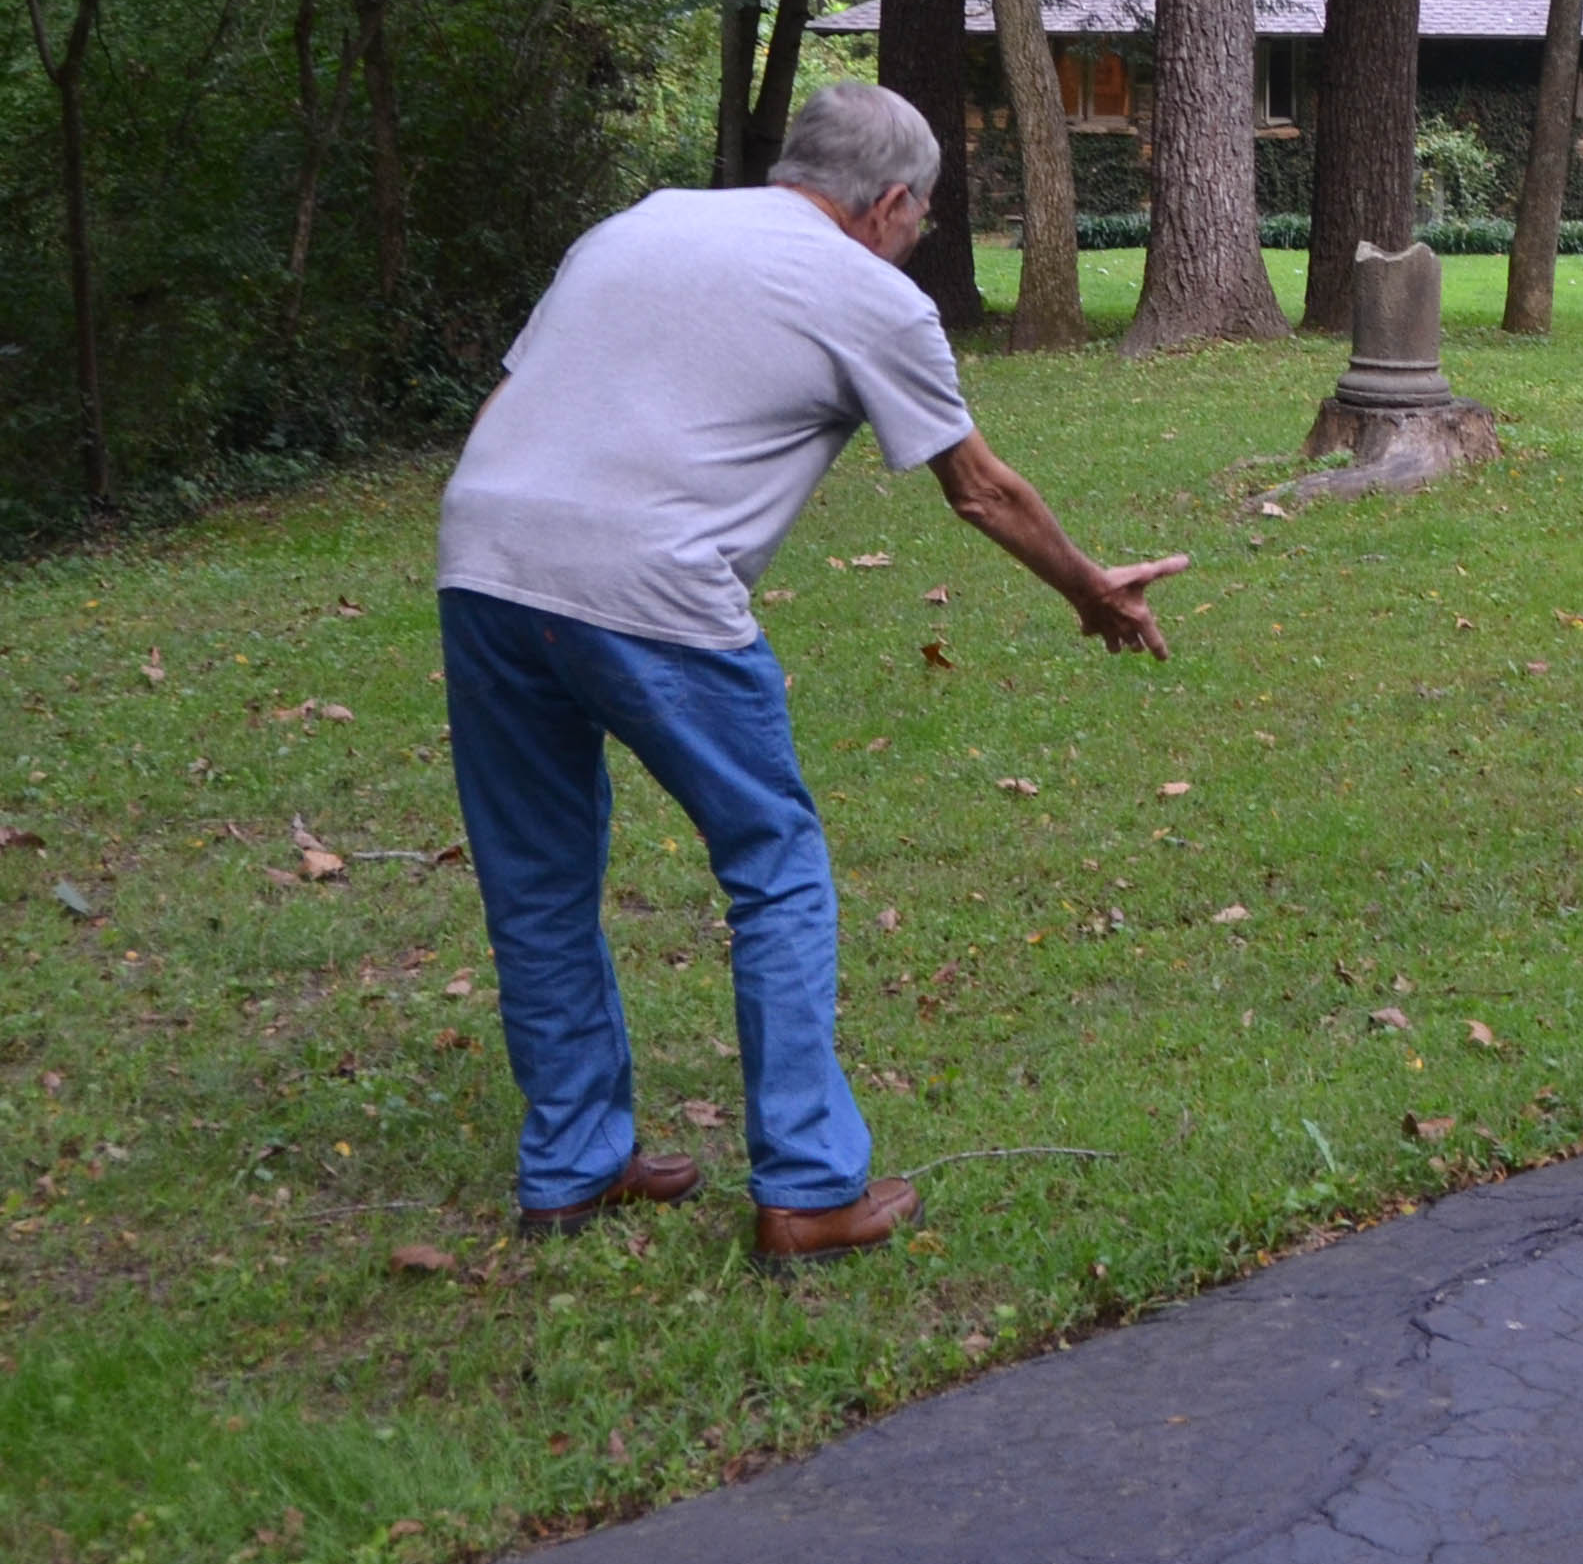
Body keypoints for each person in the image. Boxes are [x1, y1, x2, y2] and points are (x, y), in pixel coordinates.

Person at [435, 82, 1185, 1257]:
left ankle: (571, 1167)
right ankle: (808, 1186)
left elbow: (514, 401)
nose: (916, 238)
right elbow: (980, 489)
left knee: (535, 878)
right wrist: (1092, 592)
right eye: (923, 218)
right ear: (889, 203)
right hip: (652, 586)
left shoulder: (636, 224)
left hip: (482, 558)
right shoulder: (868, 293)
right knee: (773, 863)